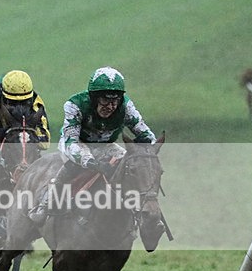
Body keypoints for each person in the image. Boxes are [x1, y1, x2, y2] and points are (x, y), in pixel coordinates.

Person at [28, 66, 156, 223]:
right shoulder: (74, 105)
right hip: (77, 144)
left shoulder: (126, 107)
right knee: (72, 166)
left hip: (106, 146)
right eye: (104, 100)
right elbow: (70, 143)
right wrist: (92, 162)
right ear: (94, 98)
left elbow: (147, 135)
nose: (110, 106)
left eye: (114, 101)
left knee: (130, 166)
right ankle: (45, 204)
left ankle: (140, 211)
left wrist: (145, 150)